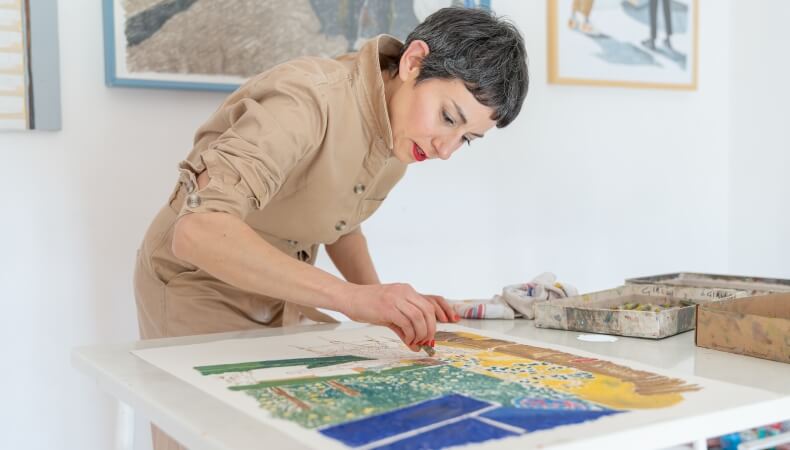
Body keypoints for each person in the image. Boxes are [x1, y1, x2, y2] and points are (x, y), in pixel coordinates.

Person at [133, 7, 528, 448]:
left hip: (283, 290)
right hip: (198, 282)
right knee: (221, 436)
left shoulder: (400, 131)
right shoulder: (305, 100)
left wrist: (388, 311)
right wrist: (354, 298)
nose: (445, 150)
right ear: (413, 62)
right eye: (449, 119)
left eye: (467, 139)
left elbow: (339, 224)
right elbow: (198, 231)